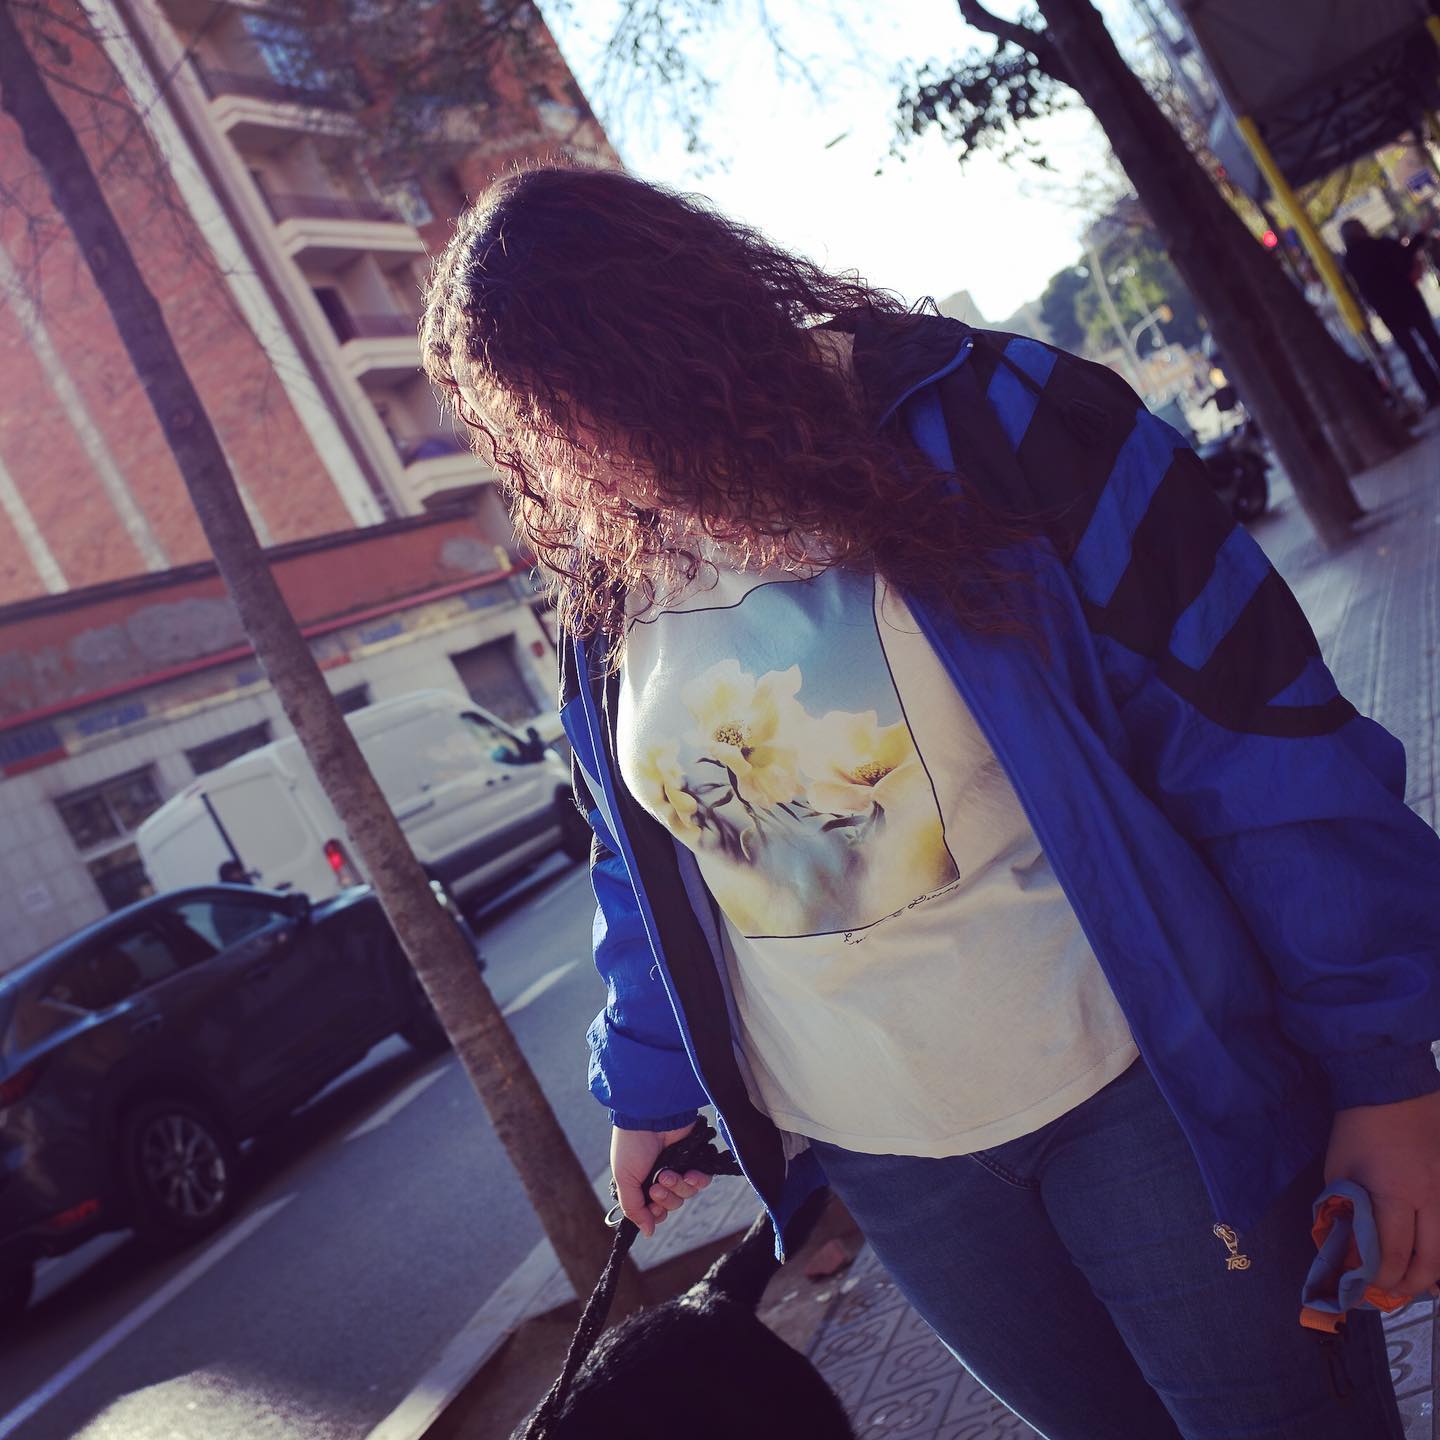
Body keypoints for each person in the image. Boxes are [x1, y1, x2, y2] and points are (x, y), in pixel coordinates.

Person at [421, 166, 1440, 1439]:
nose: (592, 458)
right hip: (893, 1165)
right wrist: (648, 1086)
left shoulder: (993, 421)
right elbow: (643, 862)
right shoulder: (608, 587)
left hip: (1147, 1100)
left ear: (684, 326)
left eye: (601, 400)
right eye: (548, 431)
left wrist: (1381, 1070)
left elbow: (1256, 736)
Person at [1341, 216, 1440, 405]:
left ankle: (1431, 390)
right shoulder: (1380, 246)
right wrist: (1420, 235)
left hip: (1387, 310)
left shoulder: (1350, 261)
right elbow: (1405, 257)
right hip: (1408, 299)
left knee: (1411, 352)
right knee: (1431, 339)